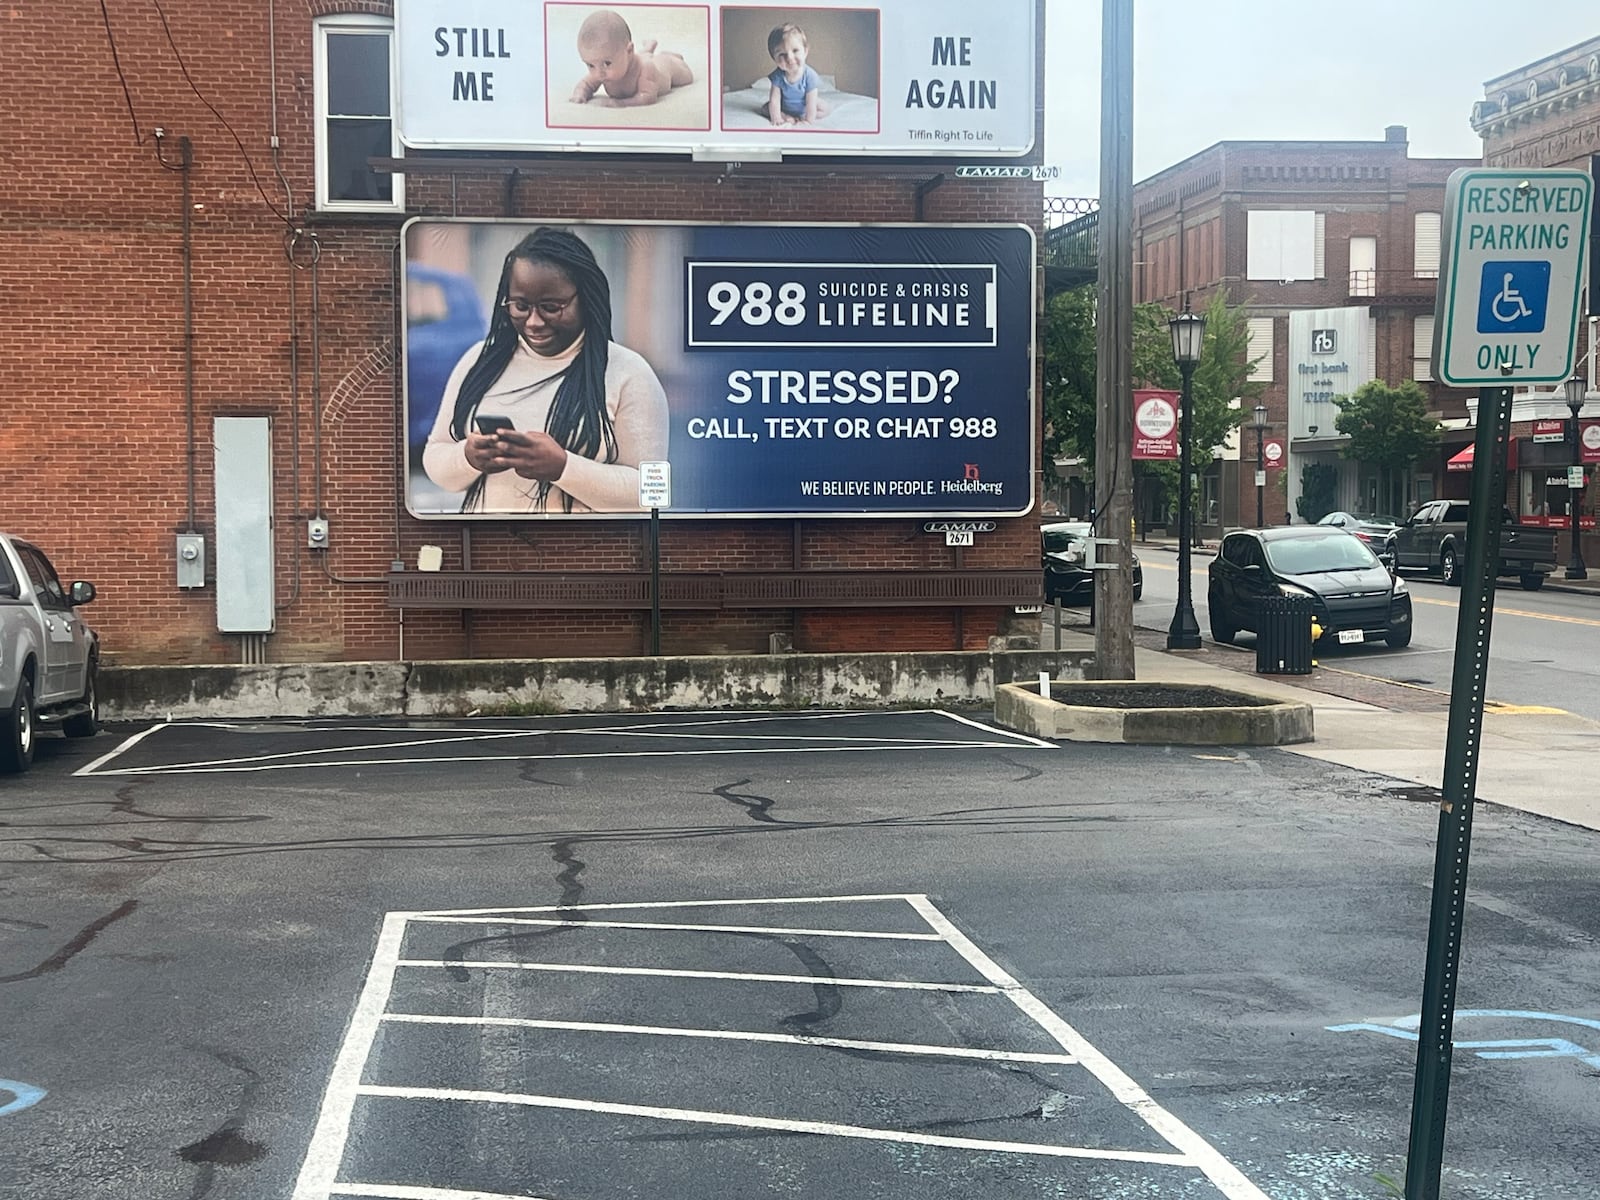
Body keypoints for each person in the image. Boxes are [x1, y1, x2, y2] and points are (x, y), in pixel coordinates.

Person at [423, 228, 669, 514]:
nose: (534, 322)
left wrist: (563, 467)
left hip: (583, 555)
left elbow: (652, 492)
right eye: (520, 306)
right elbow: (435, 457)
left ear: (586, 300)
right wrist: (468, 457)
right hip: (492, 551)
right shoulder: (479, 360)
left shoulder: (628, 373)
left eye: (552, 307)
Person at [569, 9, 693, 107]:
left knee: (686, 76)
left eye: (607, 63)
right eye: (590, 65)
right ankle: (648, 48)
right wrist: (579, 94)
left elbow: (647, 98)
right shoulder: (601, 71)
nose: (598, 73)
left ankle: (668, 55)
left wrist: (619, 104)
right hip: (636, 57)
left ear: (629, 51)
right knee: (640, 56)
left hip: (663, 66)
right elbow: (585, 84)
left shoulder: (646, 69)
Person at [766, 23, 830, 126]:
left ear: (805, 52)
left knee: (825, 108)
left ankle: (801, 116)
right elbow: (775, 99)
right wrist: (777, 117)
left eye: (795, 50)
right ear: (774, 59)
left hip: (804, 106)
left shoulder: (810, 75)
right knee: (766, 108)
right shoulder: (777, 76)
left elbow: (811, 102)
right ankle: (786, 116)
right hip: (785, 106)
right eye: (782, 54)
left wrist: (808, 120)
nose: (790, 58)